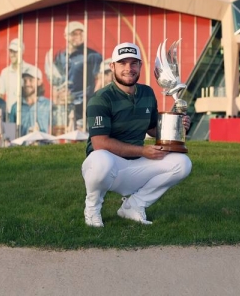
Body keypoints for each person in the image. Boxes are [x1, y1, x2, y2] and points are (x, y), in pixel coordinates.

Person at [81, 42, 192, 227]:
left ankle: (134, 206)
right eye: (122, 63)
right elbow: (100, 143)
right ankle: (92, 208)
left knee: (182, 163)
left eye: (133, 63)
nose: (128, 68)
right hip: (107, 167)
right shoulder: (101, 98)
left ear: (140, 66)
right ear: (112, 66)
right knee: (100, 159)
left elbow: (152, 130)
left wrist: (177, 127)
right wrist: (143, 151)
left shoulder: (147, 93)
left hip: (135, 167)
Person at [46, 21, 102, 124]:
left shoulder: (93, 55)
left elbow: (100, 80)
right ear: (65, 36)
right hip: (65, 104)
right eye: (74, 34)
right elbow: (55, 82)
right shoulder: (60, 56)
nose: (78, 36)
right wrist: (57, 100)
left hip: (84, 104)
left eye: (81, 33)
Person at [9, 65, 51, 135]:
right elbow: (10, 135)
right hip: (22, 146)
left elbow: (55, 133)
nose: (27, 84)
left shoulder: (48, 105)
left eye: (31, 80)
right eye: (25, 80)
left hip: (43, 145)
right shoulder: (15, 107)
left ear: (39, 82)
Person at [0, 38, 32, 112]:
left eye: (15, 51)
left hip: (26, 113)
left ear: (22, 52)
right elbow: (0, 96)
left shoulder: (29, 69)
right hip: (9, 113)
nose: (12, 54)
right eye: (11, 51)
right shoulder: (4, 72)